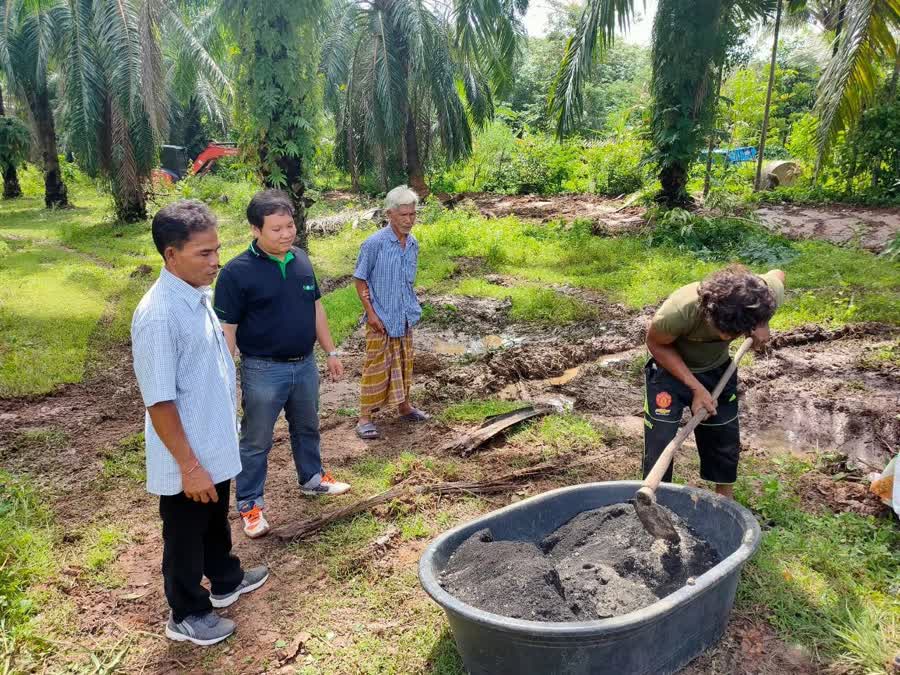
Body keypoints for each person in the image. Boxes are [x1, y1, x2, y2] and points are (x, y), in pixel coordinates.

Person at [131, 200, 268, 647]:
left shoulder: (194, 296)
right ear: (171, 255)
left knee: (214, 518)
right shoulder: (158, 314)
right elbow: (160, 401)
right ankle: (187, 610)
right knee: (185, 531)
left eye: (217, 251)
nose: (215, 262)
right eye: (203, 254)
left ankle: (226, 578)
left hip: (211, 438)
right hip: (185, 450)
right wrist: (189, 466)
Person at [214, 189, 350, 540]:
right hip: (262, 369)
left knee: (307, 427)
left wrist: (331, 352)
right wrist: (225, 377)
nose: (286, 234)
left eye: (289, 225)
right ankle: (249, 503)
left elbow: (316, 308)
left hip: (304, 364)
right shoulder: (235, 273)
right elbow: (228, 330)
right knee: (256, 439)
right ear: (255, 230)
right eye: (276, 229)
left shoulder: (301, 259)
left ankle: (312, 478)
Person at [643, 265, 787, 499]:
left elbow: (778, 274)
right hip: (668, 370)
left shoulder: (756, 297)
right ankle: (655, 499)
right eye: (723, 330)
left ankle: (724, 500)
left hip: (717, 370)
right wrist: (696, 388)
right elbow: (656, 343)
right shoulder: (679, 311)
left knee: (723, 434)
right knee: (660, 438)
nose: (728, 337)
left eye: (735, 332)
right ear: (709, 311)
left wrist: (762, 323)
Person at [353, 185, 429, 440]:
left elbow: (407, 281)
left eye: (412, 215)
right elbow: (360, 281)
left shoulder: (413, 244)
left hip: (403, 315)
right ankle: (365, 417)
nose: (409, 220)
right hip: (381, 319)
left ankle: (404, 406)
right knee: (376, 366)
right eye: (403, 215)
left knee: (405, 363)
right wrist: (371, 314)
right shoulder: (374, 244)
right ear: (390, 215)